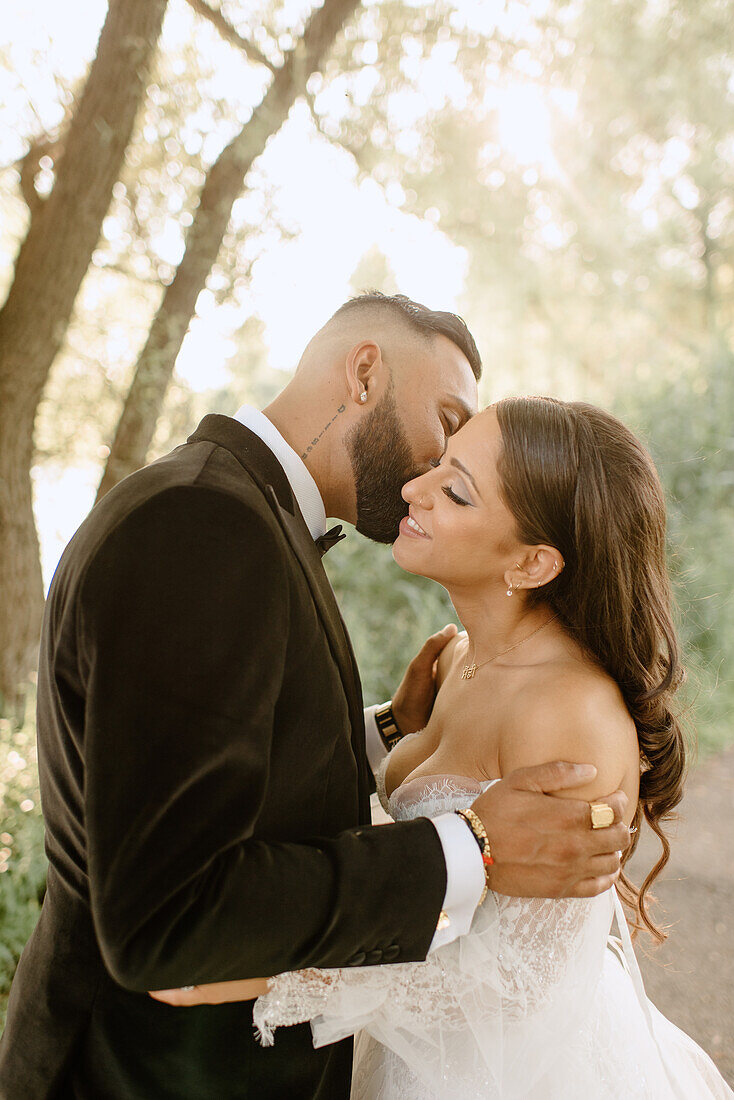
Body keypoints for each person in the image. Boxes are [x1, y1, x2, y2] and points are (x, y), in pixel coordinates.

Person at [0, 297, 629, 1100]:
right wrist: (470, 842)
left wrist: (382, 733)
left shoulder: (231, 507)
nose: (434, 466)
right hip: (139, 1075)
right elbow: (169, 916)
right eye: (445, 421)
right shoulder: (204, 525)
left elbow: (197, 770)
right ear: (365, 372)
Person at [165, 399, 733, 1098]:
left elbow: (514, 985)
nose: (413, 489)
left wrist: (273, 969)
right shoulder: (460, 655)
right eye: (437, 465)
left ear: (532, 562)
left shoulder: (570, 712)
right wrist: (392, 732)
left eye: (455, 490)